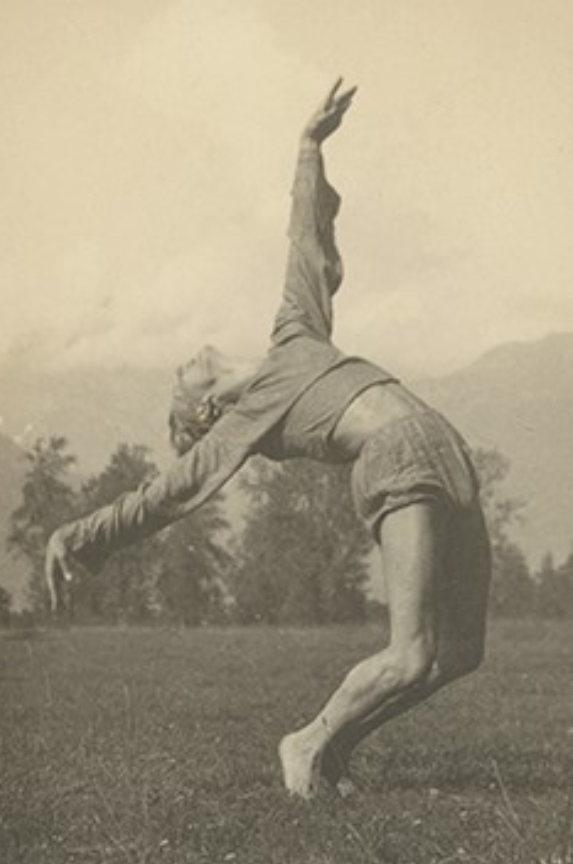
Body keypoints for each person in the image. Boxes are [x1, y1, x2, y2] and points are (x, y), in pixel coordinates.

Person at [46, 80, 491, 800]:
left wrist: (308, 149)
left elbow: (305, 240)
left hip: (444, 447)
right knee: (412, 652)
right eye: (181, 381)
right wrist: (82, 534)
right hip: (398, 458)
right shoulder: (244, 418)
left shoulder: (295, 332)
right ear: (205, 413)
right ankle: (308, 742)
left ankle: (329, 752)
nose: (186, 361)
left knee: (459, 653)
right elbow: (165, 495)